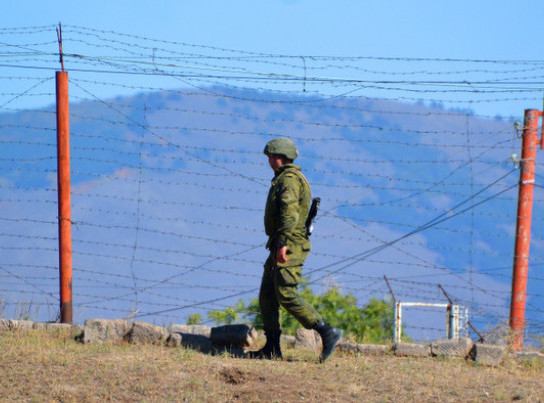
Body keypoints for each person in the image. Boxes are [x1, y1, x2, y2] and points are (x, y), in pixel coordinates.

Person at [249, 137, 343, 362]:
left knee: (286, 293)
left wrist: (283, 245)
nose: (269, 161)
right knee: (267, 295)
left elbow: (288, 215)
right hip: (281, 242)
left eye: (270, 157)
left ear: (278, 157)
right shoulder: (284, 178)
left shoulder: (289, 180)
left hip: (289, 243)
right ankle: (272, 348)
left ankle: (326, 331)